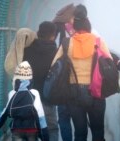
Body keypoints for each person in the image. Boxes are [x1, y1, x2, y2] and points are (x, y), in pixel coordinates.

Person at [51, 4, 113, 141]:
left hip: (74, 94)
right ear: (88, 25)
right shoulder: (98, 41)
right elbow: (109, 60)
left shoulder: (67, 43)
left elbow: (55, 65)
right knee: (98, 130)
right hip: (96, 91)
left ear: (75, 27)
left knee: (79, 132)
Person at [0, 61, 49, 141]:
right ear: (30, 79)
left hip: (16, 129)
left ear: (16, 79)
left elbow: (4, 114)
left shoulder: (12, 94)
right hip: (32, 130)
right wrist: (44, 135)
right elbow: (40, 116)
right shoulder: (34, 93)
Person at [23, 21, 59, 141]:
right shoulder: (56, 53)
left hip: (30, 98)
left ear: (38, 33)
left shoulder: (27, 51)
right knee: (51, 129)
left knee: (31, 131)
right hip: (48, 98)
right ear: (53, 36)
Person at [52, 3, 76, 141]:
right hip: (73, 80)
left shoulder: (57, 25)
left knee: (63, 117)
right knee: (76, 116)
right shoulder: (70, 30)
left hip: (61, 80)